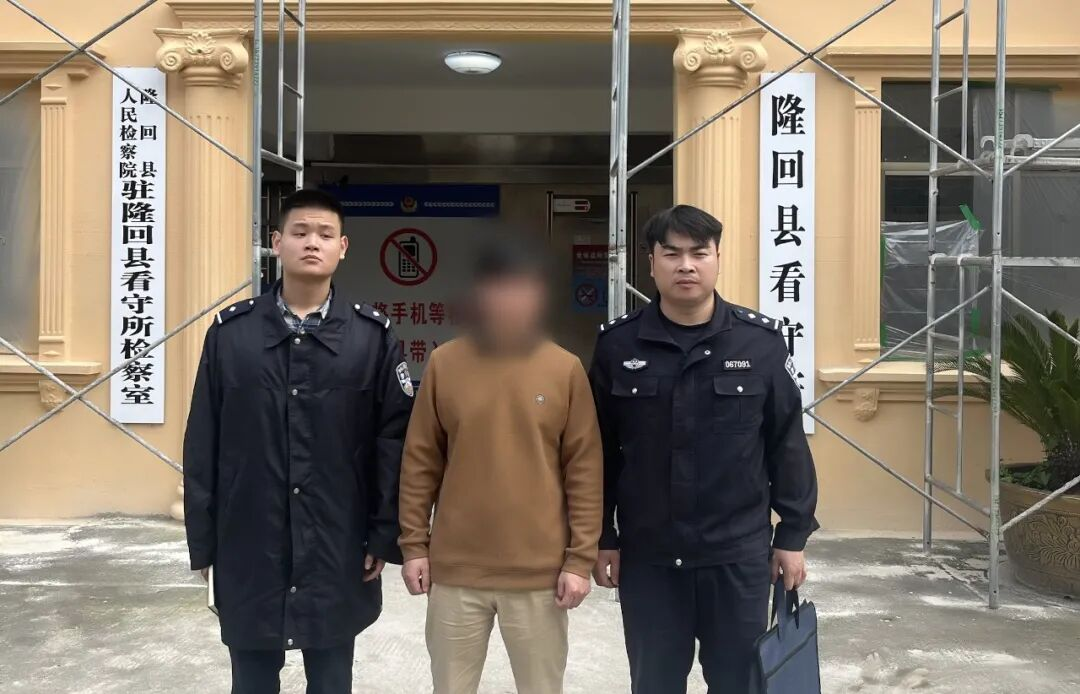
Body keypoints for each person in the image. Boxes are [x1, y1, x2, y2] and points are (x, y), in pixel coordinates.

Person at [182, 188, 414, 694]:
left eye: (325, 234)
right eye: (300, 232)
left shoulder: (371, 338)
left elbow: (392, 444)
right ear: (276, 242)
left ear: (342, 247)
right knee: (251, 680)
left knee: (331, 679)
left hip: (337, 542)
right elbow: (203, 440)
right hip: (250, 541)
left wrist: (382, 534)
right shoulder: (232, 334)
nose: (312, 243)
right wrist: (203, 542)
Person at [588, 204, 819, 693]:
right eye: (672, 254)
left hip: (736, 557)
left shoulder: (759, 343)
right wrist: (603, 536)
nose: (686, 265)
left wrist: (793, 534)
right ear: (651, 263)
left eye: (699, 253)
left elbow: (786, 443)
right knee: (653, 684)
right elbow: (600, 452)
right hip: (650, 558)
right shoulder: (618, 346)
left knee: (737, 683)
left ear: (717, 258)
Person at [398, 235, 603, 694]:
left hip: (540, 576)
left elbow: (585, 472)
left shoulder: (565, 369)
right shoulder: (445, 364)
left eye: (522, 286)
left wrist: (579, 560)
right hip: (456, 573)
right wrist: (414, 546)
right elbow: (420, 462)